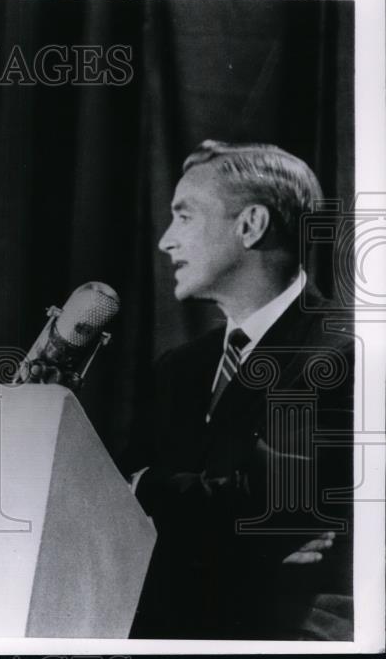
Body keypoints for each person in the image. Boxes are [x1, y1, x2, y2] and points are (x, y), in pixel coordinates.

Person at [125, 140, 354, 640]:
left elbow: (275, 506)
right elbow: (117, 520)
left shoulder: (344, 352)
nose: (166, 241)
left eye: (184, 217)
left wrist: (144, 486)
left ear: (250, 225)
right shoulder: (178, 369)